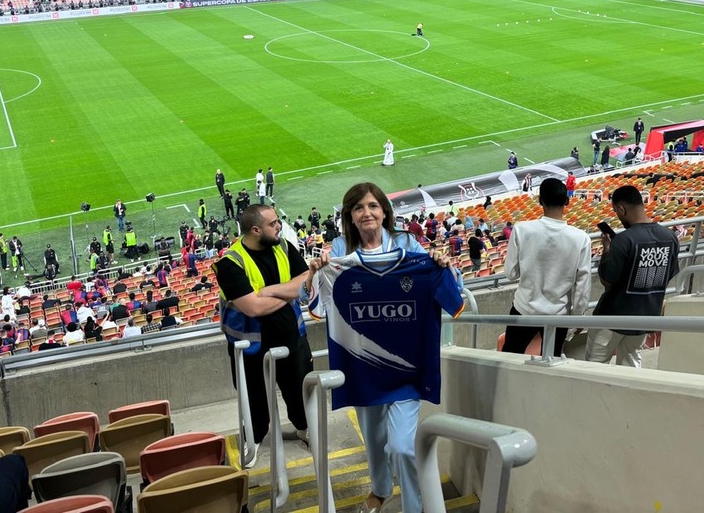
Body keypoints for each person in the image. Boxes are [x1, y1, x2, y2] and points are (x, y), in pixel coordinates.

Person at [304, 182, 463, 513]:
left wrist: (441, 263)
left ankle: (415, 507)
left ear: (384, 212)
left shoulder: (408, 244)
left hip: (406, 366)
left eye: (373, 206)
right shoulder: (338, 250)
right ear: (350, 215)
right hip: (361, 366)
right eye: (359, 208)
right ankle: (380, 488)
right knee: (375, 442)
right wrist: (315, 275)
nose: (367, 213)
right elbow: (318, 308)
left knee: (403, 446)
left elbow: (450, 295)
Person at [214, 204, 313, 463]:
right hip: (251, 348)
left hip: (292, 339)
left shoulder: (283, 247)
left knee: (299, 391)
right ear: (256, 230)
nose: (279, 226)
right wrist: (291, 291)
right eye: (273, 223)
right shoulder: (230, 263)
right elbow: (253, 308)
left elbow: (307, 278)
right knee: (254, 400)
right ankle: (254, 440)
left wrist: (269, 291)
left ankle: (303, 428)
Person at [586, 185, 679, 368]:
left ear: (621, 209)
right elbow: (667, 276)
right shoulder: (670, 237)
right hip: (645, 317)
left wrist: (607, 249)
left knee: (594, 366)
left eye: (616, 211)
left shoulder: (624, 240)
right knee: (631, 366)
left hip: (612, 317)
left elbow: (607, 280)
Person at [502, 178, 592, 357]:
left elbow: (510, 274)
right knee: (552, 360)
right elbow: (582, 287)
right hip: (557, 314)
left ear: (540, 200)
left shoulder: (521, 230)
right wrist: (578, 316)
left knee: (509, 357)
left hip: (524, 309)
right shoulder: (581, 239)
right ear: (567, 201)